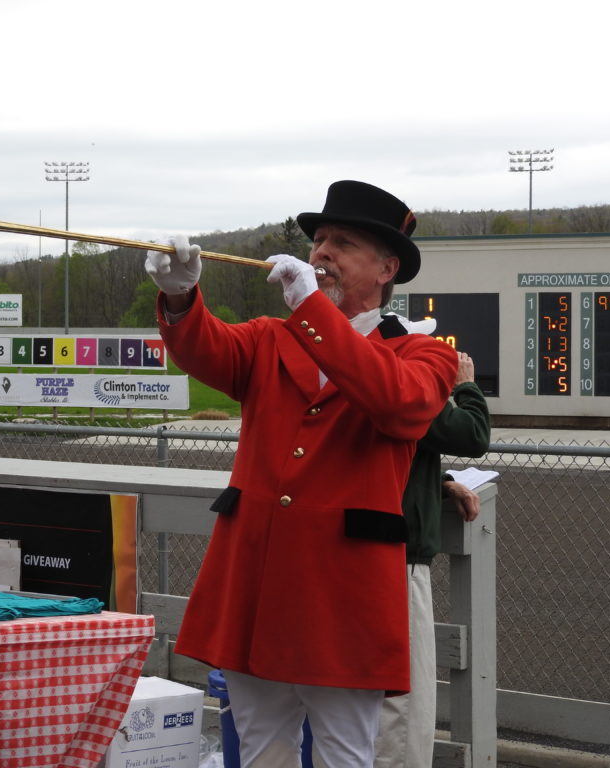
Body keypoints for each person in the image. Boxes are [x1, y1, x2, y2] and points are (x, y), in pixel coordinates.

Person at [145, 180, 459, 768]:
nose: (321, 254)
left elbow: (397, 403)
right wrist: (184, 298)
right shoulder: (271, 339)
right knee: (261, 752)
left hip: (345, 600)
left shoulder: (425, 353)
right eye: (318, 241)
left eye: (342, 243)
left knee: (346, 758)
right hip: (256, 587)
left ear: (387, 267)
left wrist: (312, 309)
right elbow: (208, 350)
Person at [375, 350, 491, 768]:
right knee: (404, 705)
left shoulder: (355, 367)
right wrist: (465, 385)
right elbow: (473, 435)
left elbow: (391, 451)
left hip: (362, 549)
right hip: (396, 558)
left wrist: (440, 482)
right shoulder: (402, 380)